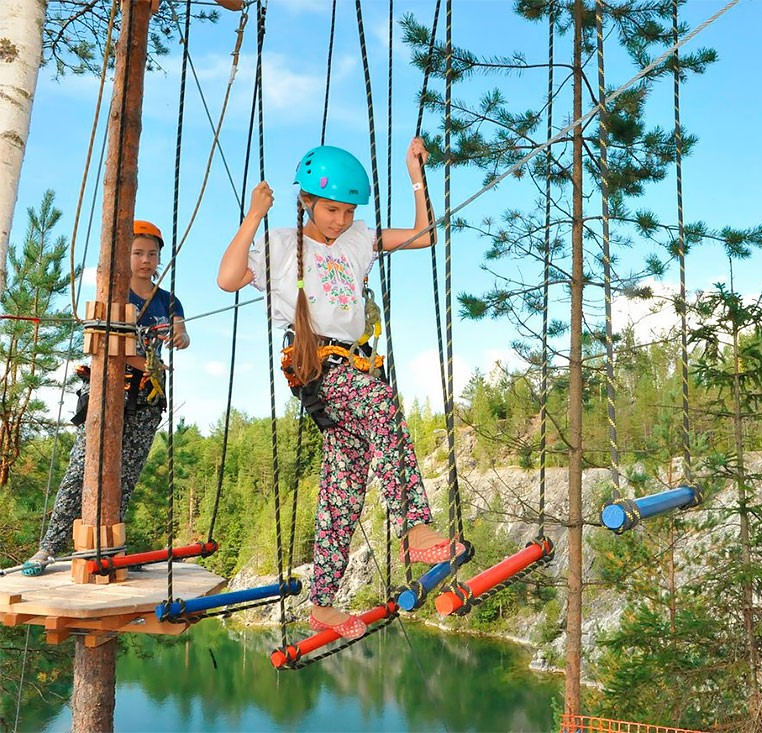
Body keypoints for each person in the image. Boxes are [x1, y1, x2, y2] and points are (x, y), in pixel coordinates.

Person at [217, 139, 466, 640]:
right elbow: (227, 279)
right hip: (318, 364)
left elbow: (422, 237)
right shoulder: (282, 244)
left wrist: (414, 172)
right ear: (306, 200)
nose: (340, 219)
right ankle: (415, 525)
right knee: (381, 401)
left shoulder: (357, 240)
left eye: (349, 210)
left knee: (343, 484)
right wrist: (254, 217)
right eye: (332, 209)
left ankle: (323, 601)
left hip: (354, 365)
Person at [23, 220, 189, 575]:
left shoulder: (168, 299)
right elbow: (106, 344)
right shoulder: (112, 294)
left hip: (146, 396)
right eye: (138, 253)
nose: (146, 260)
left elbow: (181, 331)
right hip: (107, 390)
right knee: (82, 469)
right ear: (124, 255)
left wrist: (179, 336)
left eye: (152, 254)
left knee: (127, 473)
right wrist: (146, 363)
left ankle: (111, 548)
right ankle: (48, 547)